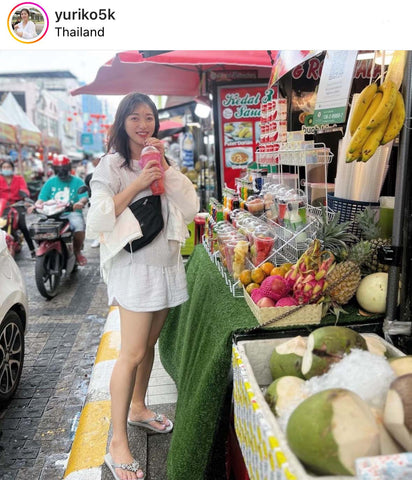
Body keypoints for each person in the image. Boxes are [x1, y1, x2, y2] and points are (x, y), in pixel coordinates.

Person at [86, 92, 199, 480]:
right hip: (134, 268)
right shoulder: (110, 165)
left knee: (148, 345)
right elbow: (99, 217)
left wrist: (164, 168)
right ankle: (118, 441)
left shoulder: (161, 160)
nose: (142, 124)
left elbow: (189, 208)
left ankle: (138, 407)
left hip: (166, 263)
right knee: (131, 353)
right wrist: (138, 184)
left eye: (148, 117)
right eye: (133, 117)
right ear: (122, 123)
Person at [36, 155, 89, 266]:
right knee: (38, 229)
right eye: (59, 168)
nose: (61, 171)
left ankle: (77, 251)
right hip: (52, 214)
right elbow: (41, 198)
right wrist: (37, 205)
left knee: (79, 227)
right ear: (55, 169)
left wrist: (80, 203)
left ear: (69, 168)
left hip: (72, 213)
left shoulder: (78, 181)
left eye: (64, 168)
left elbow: (84, 196)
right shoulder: (50, 182)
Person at [0, 160, 36, 257]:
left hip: (17, 205)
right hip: (2, 206)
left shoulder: (19, 179)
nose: (6, 169)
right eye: (4, 167)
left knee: (23, 226)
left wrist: (25, 197)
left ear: (12, 168)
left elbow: (24, 189)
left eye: (8, 167)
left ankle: (32, 250)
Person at [84, 155, 101, 248]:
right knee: (95, 220)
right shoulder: (90, 175)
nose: (94, 162)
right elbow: (86, 187)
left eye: (96, 160)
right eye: (94, 160)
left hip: (105, 200)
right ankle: (97, 238)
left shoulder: (108, 173)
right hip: (93, 202)